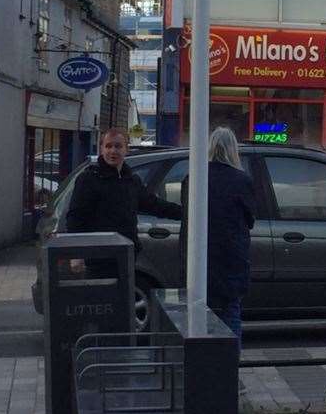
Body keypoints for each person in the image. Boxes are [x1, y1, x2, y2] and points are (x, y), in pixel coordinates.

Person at [66, 128, 182, 271]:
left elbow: (154, 205)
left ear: (126, 149)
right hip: (97, 258)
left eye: (118, 146)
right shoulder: (88, 179)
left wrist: (186, 213)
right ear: (101, 149)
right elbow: (75, 218)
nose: (113, 151)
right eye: (108, 146)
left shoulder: (132, 180)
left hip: (126, 256)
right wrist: (76, 254)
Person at [180, 127, 255, 343]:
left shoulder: (193, 177)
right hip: (230, 262)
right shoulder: (242, 181)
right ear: (233, 149)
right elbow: (249, 219)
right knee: (230, 315)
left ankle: (204, 370)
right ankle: (229, 369)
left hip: (198, 262)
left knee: (198, 322)